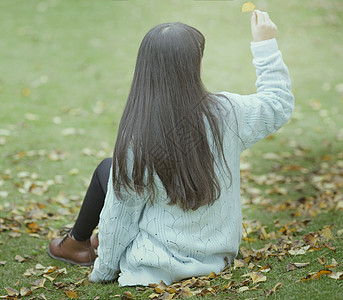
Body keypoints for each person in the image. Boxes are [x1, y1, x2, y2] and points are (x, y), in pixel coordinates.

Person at [48, 10, 294, 286]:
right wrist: (265, 44)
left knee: (109, 170)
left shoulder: (139, 137)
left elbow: (120, 217)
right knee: (110, 170)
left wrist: (102, 272)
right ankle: (79, 242)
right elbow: (278, 103)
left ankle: (75, 244)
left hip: (156, 265)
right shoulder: (228, 112)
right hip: (218, 256)